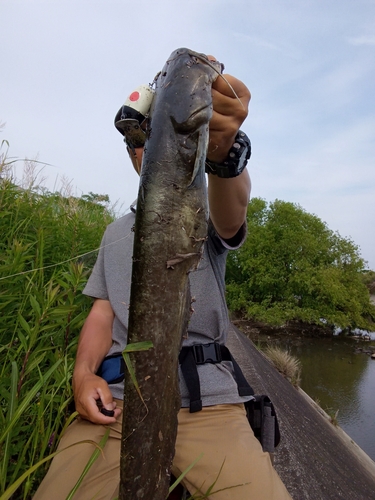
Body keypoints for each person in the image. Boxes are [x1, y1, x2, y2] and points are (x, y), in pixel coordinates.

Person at [33, 56, 292, 500]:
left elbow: (233, 213)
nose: (142, 147)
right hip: (118, 400)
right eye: (138, 141)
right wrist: (82, 375)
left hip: (207, 402)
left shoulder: (200, 207)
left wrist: (224, 154)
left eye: (153, 132)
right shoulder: (115, 232)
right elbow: (102, 311)